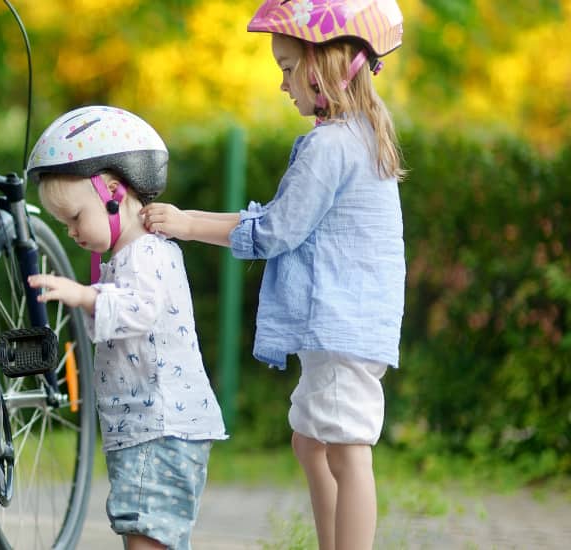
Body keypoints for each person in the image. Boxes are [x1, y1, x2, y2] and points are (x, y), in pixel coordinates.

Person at [140, 2, 406, 549]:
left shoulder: (331, 147)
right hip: (342, 324)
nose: (282, 84)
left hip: (338, 326)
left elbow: (277, 230)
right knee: (312, 442)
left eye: (287, 68)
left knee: (348, 449)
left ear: (325, 67)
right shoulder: (358, 135)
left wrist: (188, 223)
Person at [25, 105, 227, 550]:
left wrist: (82, 296)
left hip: (159, 424)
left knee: (147, 539)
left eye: (76, 217)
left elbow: (140, 308)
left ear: (113, 191)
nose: (73, 232)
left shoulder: (146, 253)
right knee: (150, 537)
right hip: (146, 427)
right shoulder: (124, 259)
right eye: (65, 224)